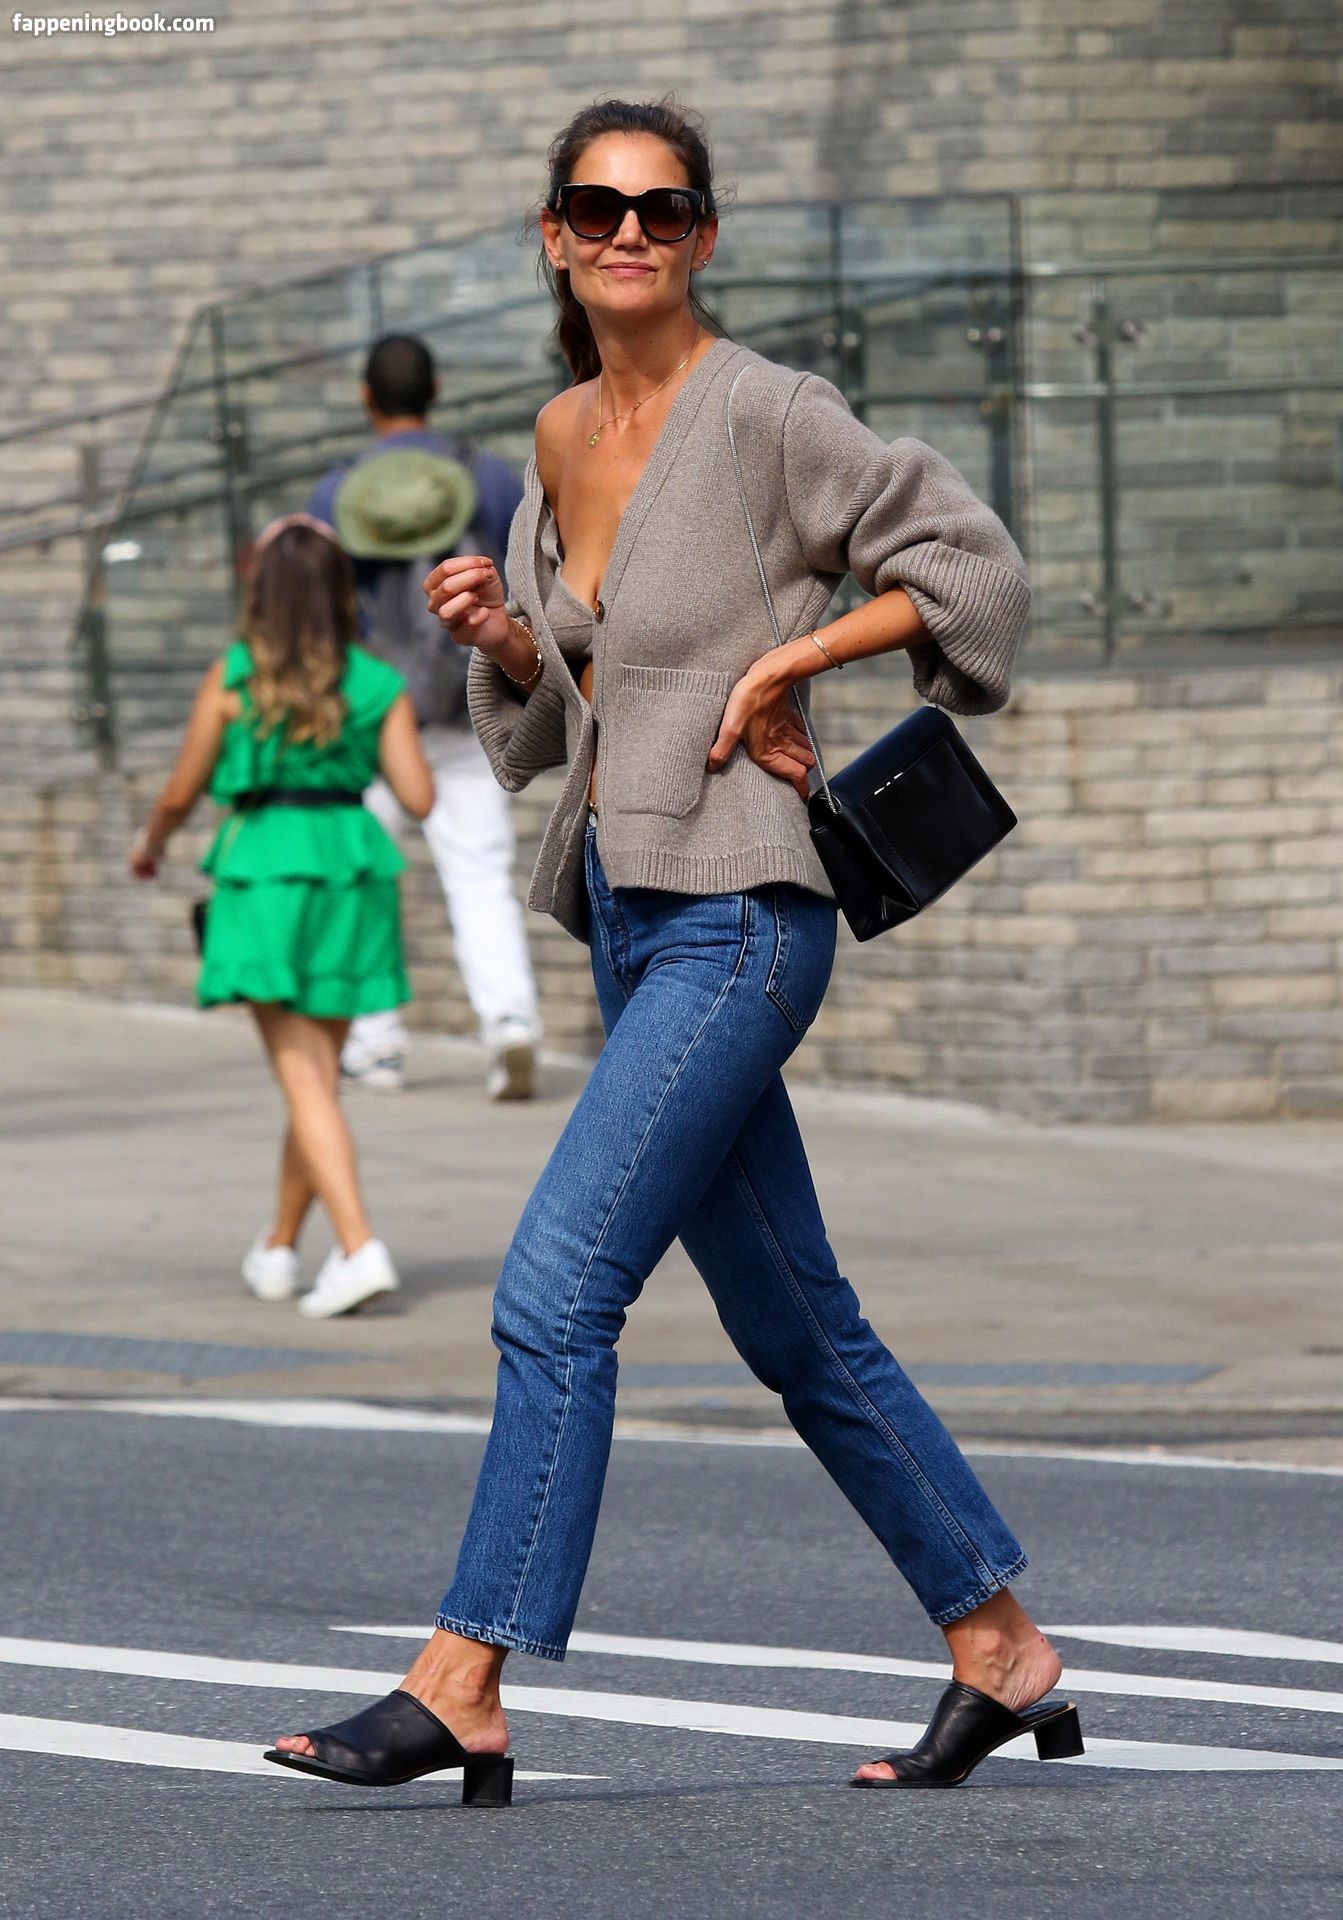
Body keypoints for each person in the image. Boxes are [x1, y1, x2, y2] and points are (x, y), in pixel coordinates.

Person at [267, 100, 1082, 1800]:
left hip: (745, 921)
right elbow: (570, 717)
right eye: (596, 207)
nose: (627, 232)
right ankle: (999, 1645)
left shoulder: (769, 412)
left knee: (555, 1291)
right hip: (631, 924)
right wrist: (507, 643)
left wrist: (794, 662)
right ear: (553, 237)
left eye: (661, 208)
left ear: (700, 235)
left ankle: (463, 1677)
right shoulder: (558, 432)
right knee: (798, 1330)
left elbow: (974, 573)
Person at [130, 514, 434, 1319]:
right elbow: (418, 797)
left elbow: (180, 788)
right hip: (351, 872)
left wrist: (151, 845)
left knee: (303, 1080)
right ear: (341, 591)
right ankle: (277, 1248)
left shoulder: (234, 676)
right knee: (318, 1080)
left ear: (259, 591)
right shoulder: (376, 682)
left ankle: (358, 1247)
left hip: (263, 867)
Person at [307, 333, 543, 1101]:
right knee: (479, 874)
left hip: (373, 717)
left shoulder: (336, 491)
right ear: (436, 389)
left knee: (363, 876)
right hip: (465, 703)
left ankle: (374, 1044)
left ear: (365, 398)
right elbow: (528, 578)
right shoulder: (486, 476)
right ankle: (508, 1023)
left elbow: (319, 611)